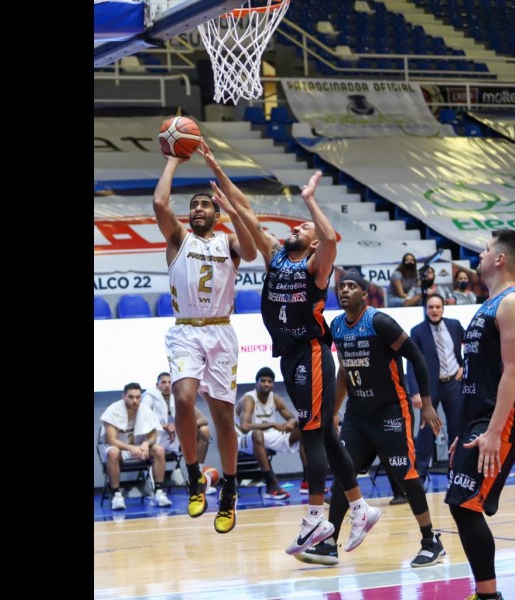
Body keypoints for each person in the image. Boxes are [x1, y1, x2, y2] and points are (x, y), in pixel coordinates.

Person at [194, 147, 381, 556]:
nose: (297, 227)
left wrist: (310, 200)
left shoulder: (317, 267)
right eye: (298, 224)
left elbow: (330, 238)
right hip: (290, 355)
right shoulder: (276, 255)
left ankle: (315, 519)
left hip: (311, 352)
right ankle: (360, 507)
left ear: (313, 242)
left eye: (304, 226)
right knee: (326, 434)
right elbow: (245, 210)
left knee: (311, 432)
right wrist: (217, 169)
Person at [296, 270, 445, 568]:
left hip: (391, 411)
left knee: (406, 475)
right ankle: (329, 544)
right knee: (344, 472)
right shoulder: (337, 325)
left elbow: (417, 357)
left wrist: (427, 405)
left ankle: (431, 541)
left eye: (352, 286)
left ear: (365, 294)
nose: (345, 290)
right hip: (358, 414)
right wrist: (334, 411)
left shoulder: (380, 322)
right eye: (342, 286)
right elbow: (343, 370)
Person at [153, 145, 258, 534]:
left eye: (204, 205)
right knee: (183, 399)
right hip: (185, 329)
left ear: (215, 213)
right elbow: (160, 203)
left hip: (220, 331)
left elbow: (251, 251)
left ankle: (229, 489)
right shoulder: (178, 238)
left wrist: (233, 211)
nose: (197, 209)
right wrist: (173, 160)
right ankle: (195, 474)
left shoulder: (227, 242)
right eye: (193, 205)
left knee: (223, 417)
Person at [445, 229, 515, 600]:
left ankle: (488, 596)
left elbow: (513, 371)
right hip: (479, 418)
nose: (480, 255)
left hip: (502, 418)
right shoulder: (489, 303)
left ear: (500, 259)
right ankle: (486, 594)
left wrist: (494, 432)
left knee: (464, 504)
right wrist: (464, 431)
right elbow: (478, 376)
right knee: (462, 504)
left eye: (485, 250)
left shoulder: (514, 301)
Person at [406, 293, 465, 481]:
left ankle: (455, 472)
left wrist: (465, 366)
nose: (434, 310)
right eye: (431, 307)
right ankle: (420, 474)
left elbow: (473, 345)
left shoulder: (454, 325)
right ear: (426, 309)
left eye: (437, 307)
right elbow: (411, 364)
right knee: (426, 431)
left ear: (443, 308)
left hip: (453, 384)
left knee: (457, 429)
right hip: (429, 389)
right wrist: (415, 392)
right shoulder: (417, 331)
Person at [100, 382, 172, 509]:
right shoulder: (112, 410)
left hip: (140, 448)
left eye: (138, 397)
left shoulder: (146, 411)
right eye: (131, 397)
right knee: (112, 452)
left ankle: (159, 492)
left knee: (159, 450)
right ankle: (116, 495)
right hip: (120, 449)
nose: (135, 400)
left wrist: (145, 444)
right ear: (123, 396)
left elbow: (152, 436)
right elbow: (110, 440)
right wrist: (131, 448)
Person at [235, 366, 302, 500]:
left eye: (269, 381)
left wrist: (291, 423)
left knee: (303, 430)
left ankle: (308, 481)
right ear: (257, 383)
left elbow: (291, 417)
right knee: (257, 434)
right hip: (243, 438)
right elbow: (245, 426)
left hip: (267, 436)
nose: (266, 384)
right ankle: (271, 485)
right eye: (263, 381)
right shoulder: (249, 399)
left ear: (273, 384)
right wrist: (272, 424)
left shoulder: (275, 398)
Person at [142, 371, 213, 469]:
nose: (167, 385)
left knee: (204, 430)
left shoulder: (178, 396)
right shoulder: (149, 396)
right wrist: (163, 426)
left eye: (169, 382)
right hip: (155, 439)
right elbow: (142, 420)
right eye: (163, 382)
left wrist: (178, 426)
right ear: (157, 385)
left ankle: (198, 470)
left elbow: (203, 420)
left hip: (177, 438)